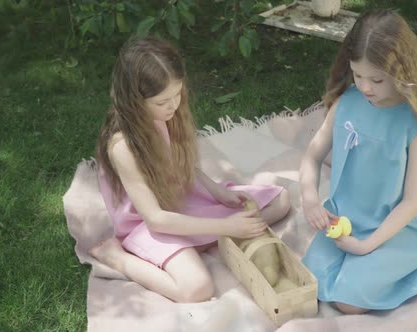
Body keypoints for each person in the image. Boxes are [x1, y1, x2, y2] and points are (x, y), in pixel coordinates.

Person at [89, 36, 290, 303]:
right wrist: (224, 225)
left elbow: (180, 162)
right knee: (196, 289)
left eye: (177, 94)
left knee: (280, 201)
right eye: (163, 101)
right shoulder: (123, 146)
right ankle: (117, 257)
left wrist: (218, 192)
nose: (173, 105)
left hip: (179, 198)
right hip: (149, 221)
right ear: (134, 101)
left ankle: (200, 238)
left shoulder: (165, 114)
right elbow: (155, 219)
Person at [299, 10, 417, 314]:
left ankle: (407, 266)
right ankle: (364, 266)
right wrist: (311, 199)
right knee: (308, 280)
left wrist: (367, 246)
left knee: (348, 302)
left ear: (402, 73)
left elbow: (411, 202)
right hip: (347, 218)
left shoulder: (413, 124)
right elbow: (312, 156)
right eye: (358, 75)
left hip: (397, 228)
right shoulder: (348, 103)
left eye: (377, 79)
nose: (366, 87)